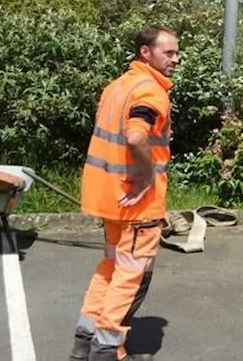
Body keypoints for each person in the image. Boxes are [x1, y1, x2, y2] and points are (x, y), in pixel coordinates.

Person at [70, 26, 179, 361]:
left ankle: (84, 340)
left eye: (176, 53)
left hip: (108, 196)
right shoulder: (151, 92)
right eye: (169, 53)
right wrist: (147, 176)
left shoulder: (116, 86)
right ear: (146, 52)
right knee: (131, 274)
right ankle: (106, 349)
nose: (175, 59)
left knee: (110, 265)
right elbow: (135, 135)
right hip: (137, 204)